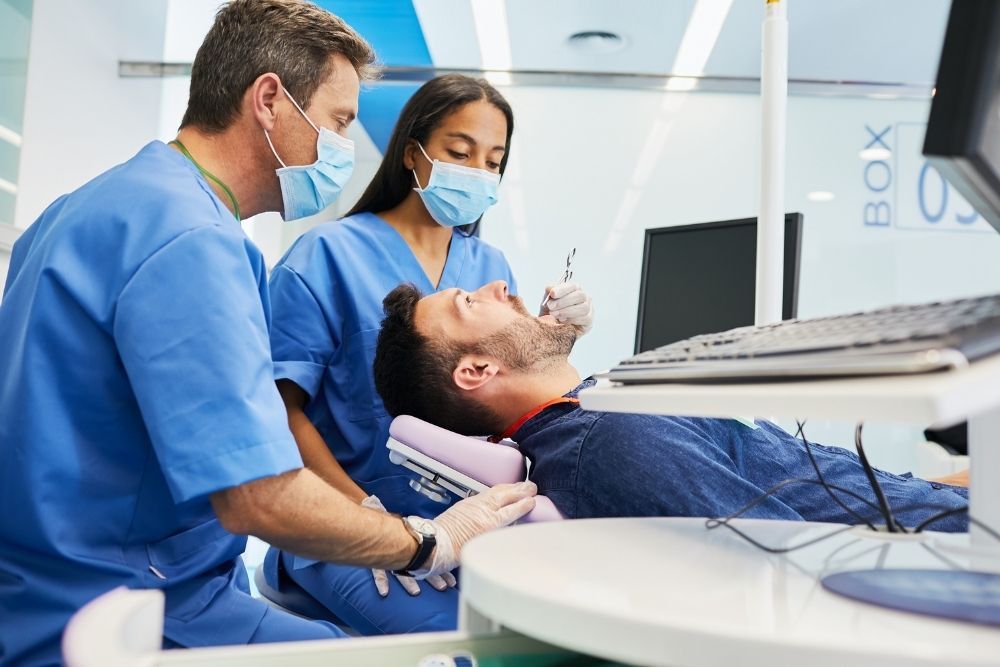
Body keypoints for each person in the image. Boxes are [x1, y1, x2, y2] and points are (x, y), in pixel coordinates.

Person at [0, 4, 536, 664]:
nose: (342, 143)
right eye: (340, 122)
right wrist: (424, 541)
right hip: (135, 600)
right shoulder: (193, 241)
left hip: (44, 586)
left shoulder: (89, 207)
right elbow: (260, 495)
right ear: (269, 100)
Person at [261, 73, 594, 635]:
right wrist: (374, 522)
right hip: (345, 521)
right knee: (469, 642)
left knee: (562, 627)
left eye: (494, 162)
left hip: (470, 520)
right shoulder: (326, 255)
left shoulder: (490, 266)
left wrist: (559, 338)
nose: (478, 173)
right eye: (460, 153)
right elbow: (279, 409)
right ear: (414, 155)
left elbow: (500, 395)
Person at [371, 281, 971, 532]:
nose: (501, 288)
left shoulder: (599, 413)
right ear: (477, 371)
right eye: (471, 302)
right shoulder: (613, 441)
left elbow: (799, 489)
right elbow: (789, 560)